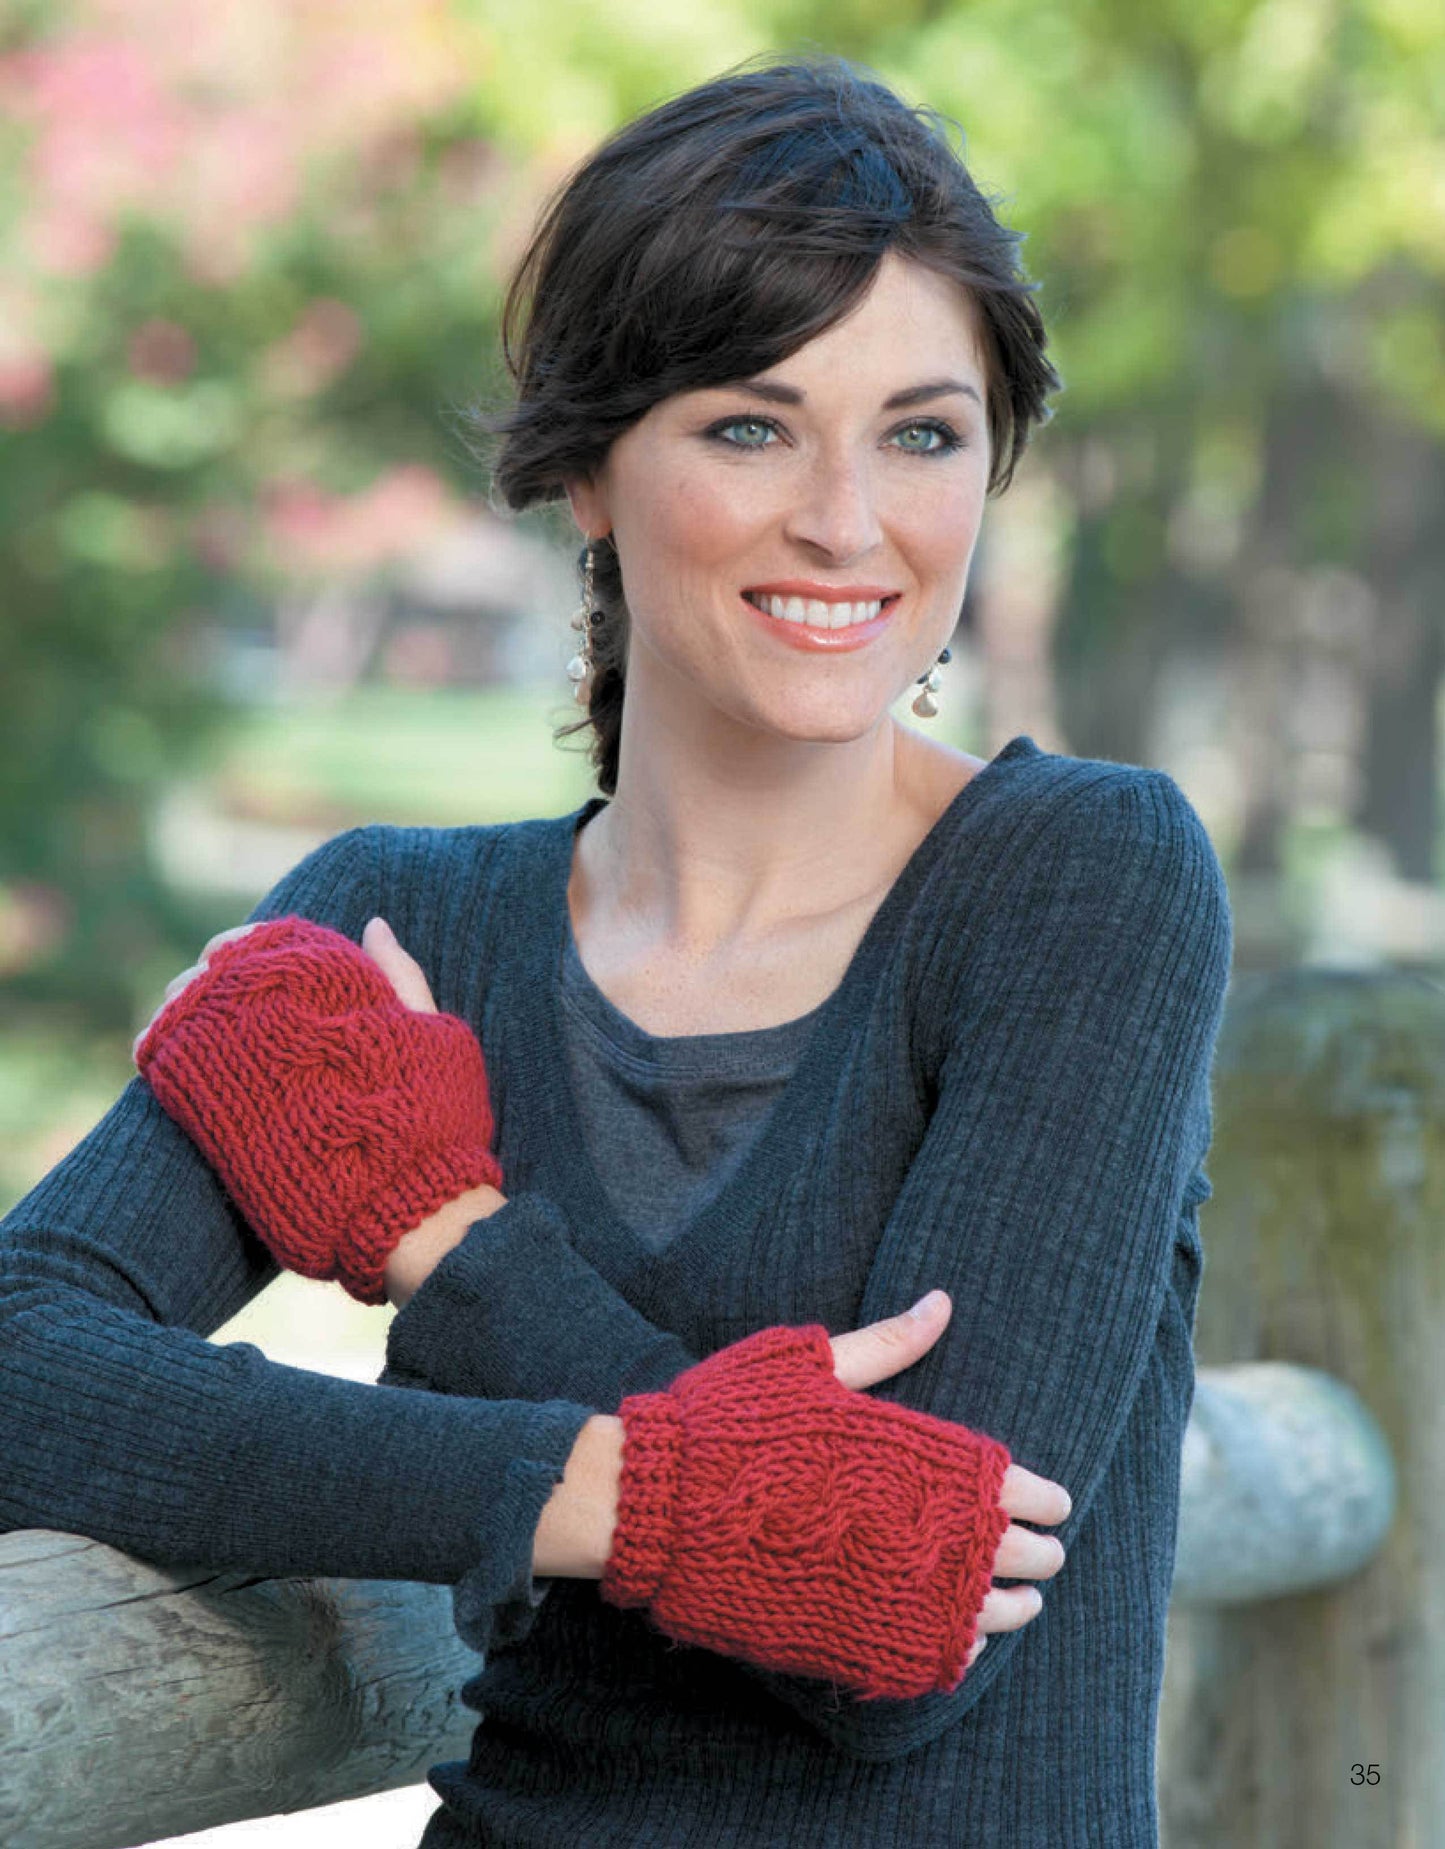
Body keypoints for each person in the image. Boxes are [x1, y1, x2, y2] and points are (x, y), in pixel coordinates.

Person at [0, 49, 1232, 1849]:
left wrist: (451, 1235)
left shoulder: (1082, 881)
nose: (846, 519)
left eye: (921, 430)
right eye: (749, 423)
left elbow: (893, 1640)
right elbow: (25, 1360)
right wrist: (595, 1486)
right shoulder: (390, 921)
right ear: (584, 471)